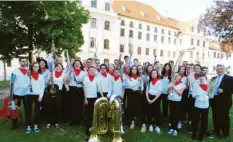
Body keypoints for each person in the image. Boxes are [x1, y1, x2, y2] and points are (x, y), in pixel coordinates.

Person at [210, 64, 233, 140]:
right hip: (214, 101)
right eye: (218, 69)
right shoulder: (213, 78)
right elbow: (210, 87)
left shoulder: (230, 78)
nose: (219, 70)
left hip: (224, 102)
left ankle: (225, 134)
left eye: (221, 69)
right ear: (216, 70)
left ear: (224, 69)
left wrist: (224, 90)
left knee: (224, 118)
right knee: (215, 116)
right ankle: (216, 131)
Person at [83, 66, 103, 139]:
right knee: (88, 116)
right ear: (88, 71)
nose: (92, 71)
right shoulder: (85, 78)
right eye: (91, 70)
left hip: (95, 99)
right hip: (88, 98)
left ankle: (95, 131)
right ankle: (87, 133)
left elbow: (99, 88)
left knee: (95, 115)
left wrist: (103, 96)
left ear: (95, 71)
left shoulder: (97, 78)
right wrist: (85, 98)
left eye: (93, 70)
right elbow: (84, 88)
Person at [25, 62, 45, 134]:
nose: (36, 68)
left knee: (37, 111)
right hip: (29, 95)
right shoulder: (28, 75)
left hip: (37, 95)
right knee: (28, 111)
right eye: (34, 66)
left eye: (37, 66)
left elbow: (43, 86)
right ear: (32, 67)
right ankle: (28, 126)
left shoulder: (41, 76)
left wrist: (41, 96)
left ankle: (36, 125)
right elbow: (24, 86)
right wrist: (28, 85)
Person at [46, 63, 67, 128]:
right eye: (57, 66)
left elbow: (65, 82)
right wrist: (49, 77)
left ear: (62, 67)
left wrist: (67, 87)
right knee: (49, 108)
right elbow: (46, 82)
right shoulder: (51, 73)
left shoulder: (63, 74)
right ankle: (49, 122)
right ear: (55, 67)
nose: (58, 67)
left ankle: (56, 122)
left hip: (58, 92)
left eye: (60, 66)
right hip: (50, 92)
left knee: (57, 108)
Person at [10, 57, 29, 130]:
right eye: (22, 61)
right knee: (15, 109)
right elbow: (11, 83)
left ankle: (28, 123)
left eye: (25, 61)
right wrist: (11, 93)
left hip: (26, 93)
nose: (24, 62)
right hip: (16, 93)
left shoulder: (28, 71)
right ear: (19, 62)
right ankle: (14, 124)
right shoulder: (14, 72)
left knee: (27, 109)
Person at [191, 72, 210, 142]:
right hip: (197, 105)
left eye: (202, 76)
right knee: (195, 120)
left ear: (205, 76)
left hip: (205, 106)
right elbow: (193, 94)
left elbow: (211, 95)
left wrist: (209, 93)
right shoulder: (196, 84)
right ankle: (194, 134)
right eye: (199, 76)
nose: (201, 78)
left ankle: (201, 136)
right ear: (198, 78)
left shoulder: (209, 85)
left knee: (204, 121)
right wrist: (196, 95)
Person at [66, 60, 86, 125]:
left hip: (80, 90)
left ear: (80, 65)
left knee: (79, 105)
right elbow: (67, 82)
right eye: (75, 64)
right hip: (72, 89)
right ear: (74, 65)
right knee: (71, 105)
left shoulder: (84, 73)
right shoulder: (70, 71)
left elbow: (86, 83)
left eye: (78, 63)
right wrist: (69, 73)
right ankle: (72, 121)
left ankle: (78, 120)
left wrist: (81, 82)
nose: (77, 65)